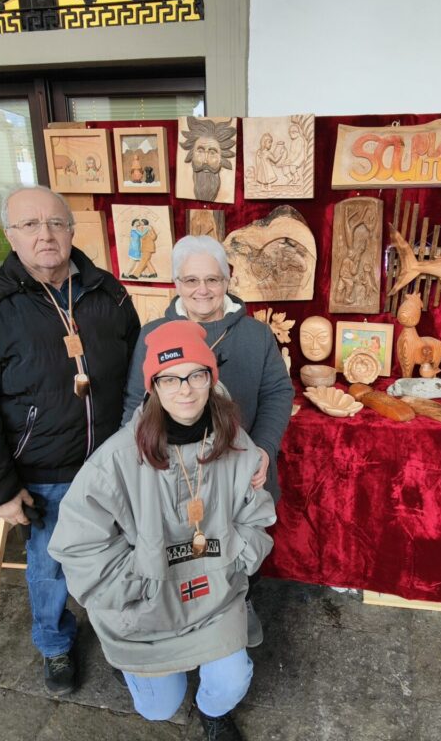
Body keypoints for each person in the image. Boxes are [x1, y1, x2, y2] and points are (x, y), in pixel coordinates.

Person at [0, 185, 140, 697]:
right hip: (42, 472)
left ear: (73, 231)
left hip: (111, 466)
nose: (45, 235)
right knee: (48, 567)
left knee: (120, 558)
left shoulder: (108, 293)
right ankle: (55, 645)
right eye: (30, 225)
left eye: (55, 223)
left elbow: (138, 379)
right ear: (10, 236)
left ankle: (123, 637)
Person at [50, 320, 275, 739]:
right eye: (169, 378)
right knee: (159, 708)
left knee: (230, 683)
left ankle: (212, 711)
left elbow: (256, 514)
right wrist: (139, 583)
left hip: (215, 599)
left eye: (196, 375)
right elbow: (79, 544)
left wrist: (237, 554)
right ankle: (143, 675)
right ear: (152, 385)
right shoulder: (115, 458)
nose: (185, 389)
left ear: (211, 378)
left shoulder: (235, 442)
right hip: (148, 608)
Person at [122, 235, 293, 647]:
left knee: (237, 543)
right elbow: (135, 402)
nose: (203, 290)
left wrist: (266, 451)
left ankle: (238, 603)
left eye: (213, 279)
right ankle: (180, 612)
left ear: (228, 278)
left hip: (236, 470)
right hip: (172, 471)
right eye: (191, 279)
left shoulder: (256, 335)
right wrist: (135, 462)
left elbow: (278, 394)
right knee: (180, 546)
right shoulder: (152, 334)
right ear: (176, 283)